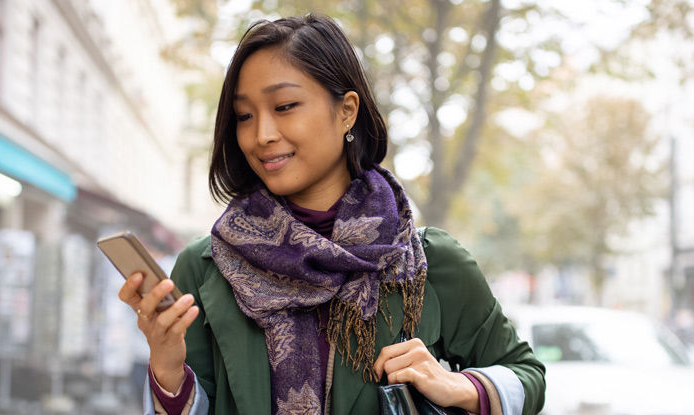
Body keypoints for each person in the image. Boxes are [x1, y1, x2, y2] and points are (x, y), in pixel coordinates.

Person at [118, 14, 546, 415]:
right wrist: (169, 373)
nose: (261, 134)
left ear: (347, 111)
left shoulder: (429, 262)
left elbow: (528, 377)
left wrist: (463, 387)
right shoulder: (207, 267)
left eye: (284, 106)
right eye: (244, 116)